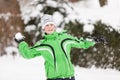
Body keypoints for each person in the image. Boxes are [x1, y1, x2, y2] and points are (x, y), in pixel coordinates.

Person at [14, 14, 100, 80]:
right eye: (47, 25)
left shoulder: (65, 38)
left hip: (69, 77)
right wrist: (21, 42)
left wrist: (93, 40)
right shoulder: (43, 44)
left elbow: (82, 43)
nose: (49, 27)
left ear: (54, 26)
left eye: (51, 24)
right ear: (43, 28)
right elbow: (28, 54)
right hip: (54, 78)